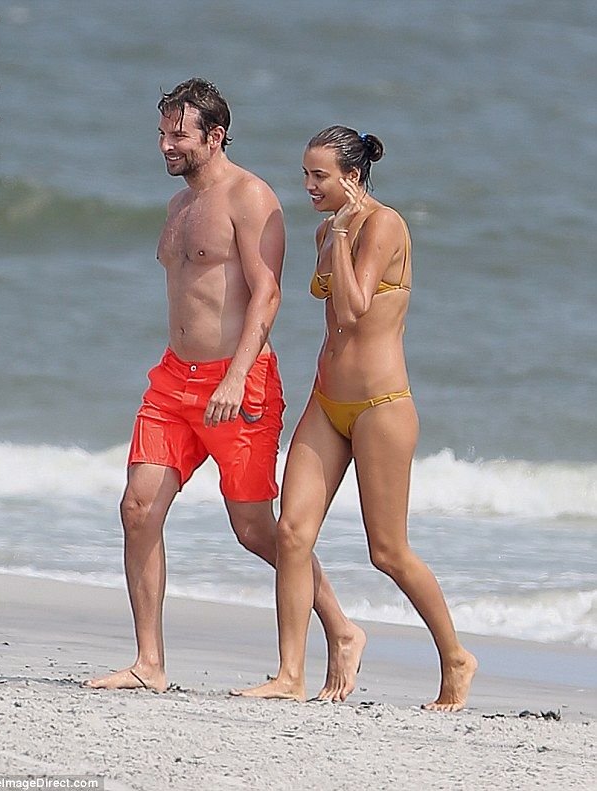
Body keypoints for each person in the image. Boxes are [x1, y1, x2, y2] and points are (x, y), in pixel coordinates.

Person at [84, 81, 364, 698]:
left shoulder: (251, 197)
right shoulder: (177, 206)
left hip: (239, 381)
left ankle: (341, 628)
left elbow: (267, 292)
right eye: (162, 134)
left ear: (214, 136)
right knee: (138, 509)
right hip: (172, 381)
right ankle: (149, 663)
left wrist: (236, 375)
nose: (166, 145)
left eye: (178, 135)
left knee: (255, 530)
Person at [233, 126, 477, 710]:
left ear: (353, 176)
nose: (308, 185)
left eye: (319, 175)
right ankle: (290, 674)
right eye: (305, 174)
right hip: (328, 401)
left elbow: (353, 307)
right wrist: (334, 233)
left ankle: (456, 657)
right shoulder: (325, 230)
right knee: (292, 533)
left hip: (381, 407)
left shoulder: (384, 224)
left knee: (387, 551)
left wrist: (343, 233)